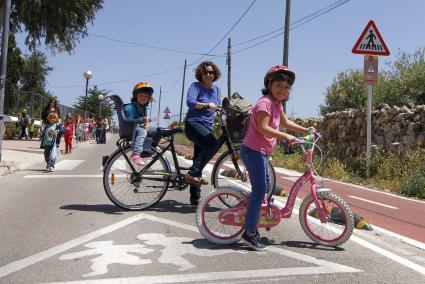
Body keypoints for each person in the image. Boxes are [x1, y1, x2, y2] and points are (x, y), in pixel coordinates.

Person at [239, 65, 310, 251]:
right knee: (260, 188)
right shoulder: (265, 103)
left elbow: (285, 123)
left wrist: (306, 130)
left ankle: (252, 215)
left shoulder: (277, 104)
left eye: (287, 87)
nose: (282, 90)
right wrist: (285, 136)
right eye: (278, 85)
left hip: (261, 152)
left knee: (265, 186)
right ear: (269, 85)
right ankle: (249, 232)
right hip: (253, 151)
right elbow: (263, 128)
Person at [184, 61, 222, 205]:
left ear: (215, 74)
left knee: (199, 158)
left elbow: (215, 107)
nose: (208, 75)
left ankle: (195, 197)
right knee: (213, 144)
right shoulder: (195, 86)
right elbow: (190, 102)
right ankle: (192, 174)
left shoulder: (216, 89)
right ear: (201, 73)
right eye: (205, 72)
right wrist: (206, 105)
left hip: (207, 126)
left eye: (211, 72)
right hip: (193, 124)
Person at [123, 81, 154, 165]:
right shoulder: (130, 108)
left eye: (146, 96)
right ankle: (136, 154)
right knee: (142, 131)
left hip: (138, 127)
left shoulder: (143, 108)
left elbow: (144, 121)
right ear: (135, 96)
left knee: (158, 130)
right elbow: (129, 122)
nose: (143, 98)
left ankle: (150, 149)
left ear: (149, 98)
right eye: (141, 95)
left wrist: (146, 123)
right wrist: (142, 121)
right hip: (131, 129)